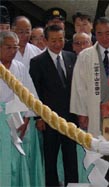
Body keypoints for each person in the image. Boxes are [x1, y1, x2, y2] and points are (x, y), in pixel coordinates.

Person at [29, 25, 78, 186]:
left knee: (71, 156)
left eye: (61, 39)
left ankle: (73, 184)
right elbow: (34, 92)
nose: (58, 44)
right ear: (45, 41)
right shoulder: (37, 62)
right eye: (54, 40)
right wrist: (39, 117)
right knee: (50, 158)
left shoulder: (72, 57)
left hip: (70, 118)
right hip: (49, 118)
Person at [0, 31, 38, 186]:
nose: (12, 51)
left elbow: (30, 95)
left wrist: (27, 119)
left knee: (17, 160)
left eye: (15, 47)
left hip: (18, 118)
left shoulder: (20, 67)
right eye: (8, 47)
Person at [11, 15, 44, 186]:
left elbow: (33, 90)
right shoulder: (5, 55)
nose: (24, 36)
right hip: (7, 113)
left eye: (27, 32)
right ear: (12, 30)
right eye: (20, 31)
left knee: (28, 151)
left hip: (27, 113)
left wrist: (33, 116)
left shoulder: (36, 52)